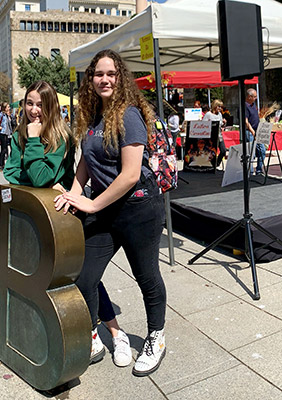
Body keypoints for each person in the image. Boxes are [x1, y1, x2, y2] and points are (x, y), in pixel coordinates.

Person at [0, 80, 134, 367]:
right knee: (35, 270)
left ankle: (114, 332)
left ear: (52, 108)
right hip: (35, 212)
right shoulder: (23, 131)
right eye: (29, 103)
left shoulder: (60, 136)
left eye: (41, 105)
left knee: (83, 275)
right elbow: (11, 171)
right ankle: (20, 316)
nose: (34, 111)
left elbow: (40, 177)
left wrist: (34, 145)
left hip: (63, 215)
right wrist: (35, 166)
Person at [55, 49, 168, 377]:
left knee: (146, 276)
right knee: (85, 275)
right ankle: (94, 335)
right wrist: (74, 195)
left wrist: (90, 204)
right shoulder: (92, 116)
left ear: (120, 79)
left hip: (139, 209)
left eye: (111, 74)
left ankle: (156, 337)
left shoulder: (129, 114)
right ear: (90, 80)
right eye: (98, 74)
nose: (104, 79)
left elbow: (131, 174)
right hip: (106, 211)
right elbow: (86, 163)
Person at [243, 89, 267, 175]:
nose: (256, 98)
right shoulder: (244, 106)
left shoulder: (253, 105)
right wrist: (252, 131)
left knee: (262, 150)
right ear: (249, 97)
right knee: (251, 152)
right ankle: (250, 170)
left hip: (257, 130)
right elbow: (245, 121)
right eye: (254, 96)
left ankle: (259, 169)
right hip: (250, 131)